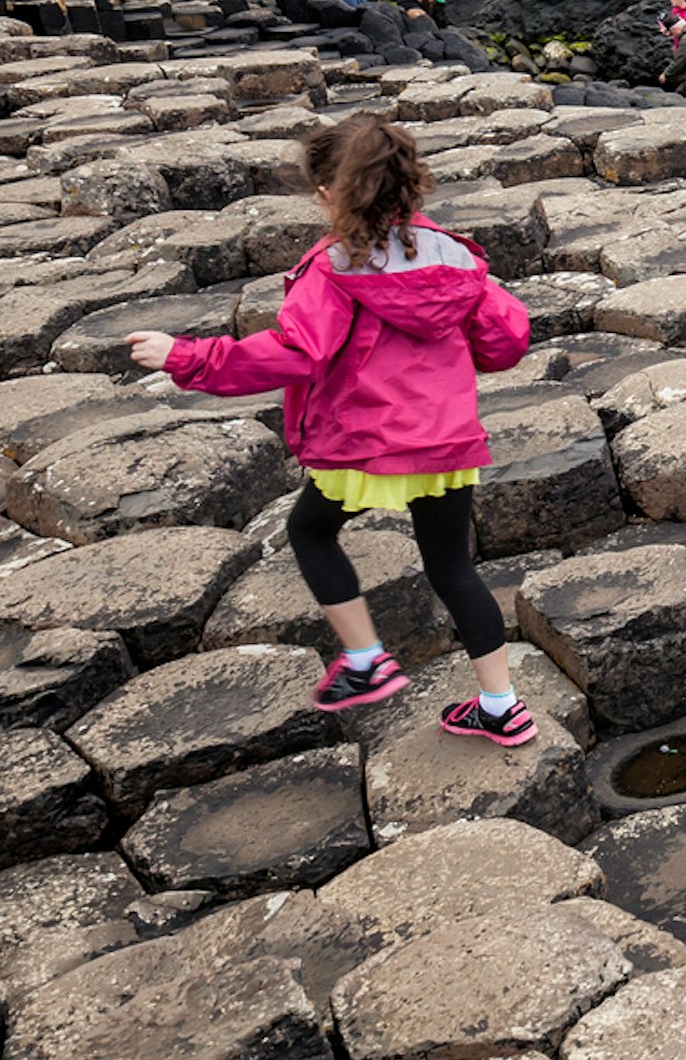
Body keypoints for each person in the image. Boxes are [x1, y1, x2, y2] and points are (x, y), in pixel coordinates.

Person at [126, 115, 537, 744]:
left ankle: (367, 660)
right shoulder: (453, 256)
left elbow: (295, 353)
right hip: (446, 441)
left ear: (327, 194)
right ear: (407, 181)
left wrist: (186, 355)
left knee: (310, 532)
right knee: (453, 568)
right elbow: (506, 338)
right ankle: (501, 704)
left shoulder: (332, 268)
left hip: (364, 444)